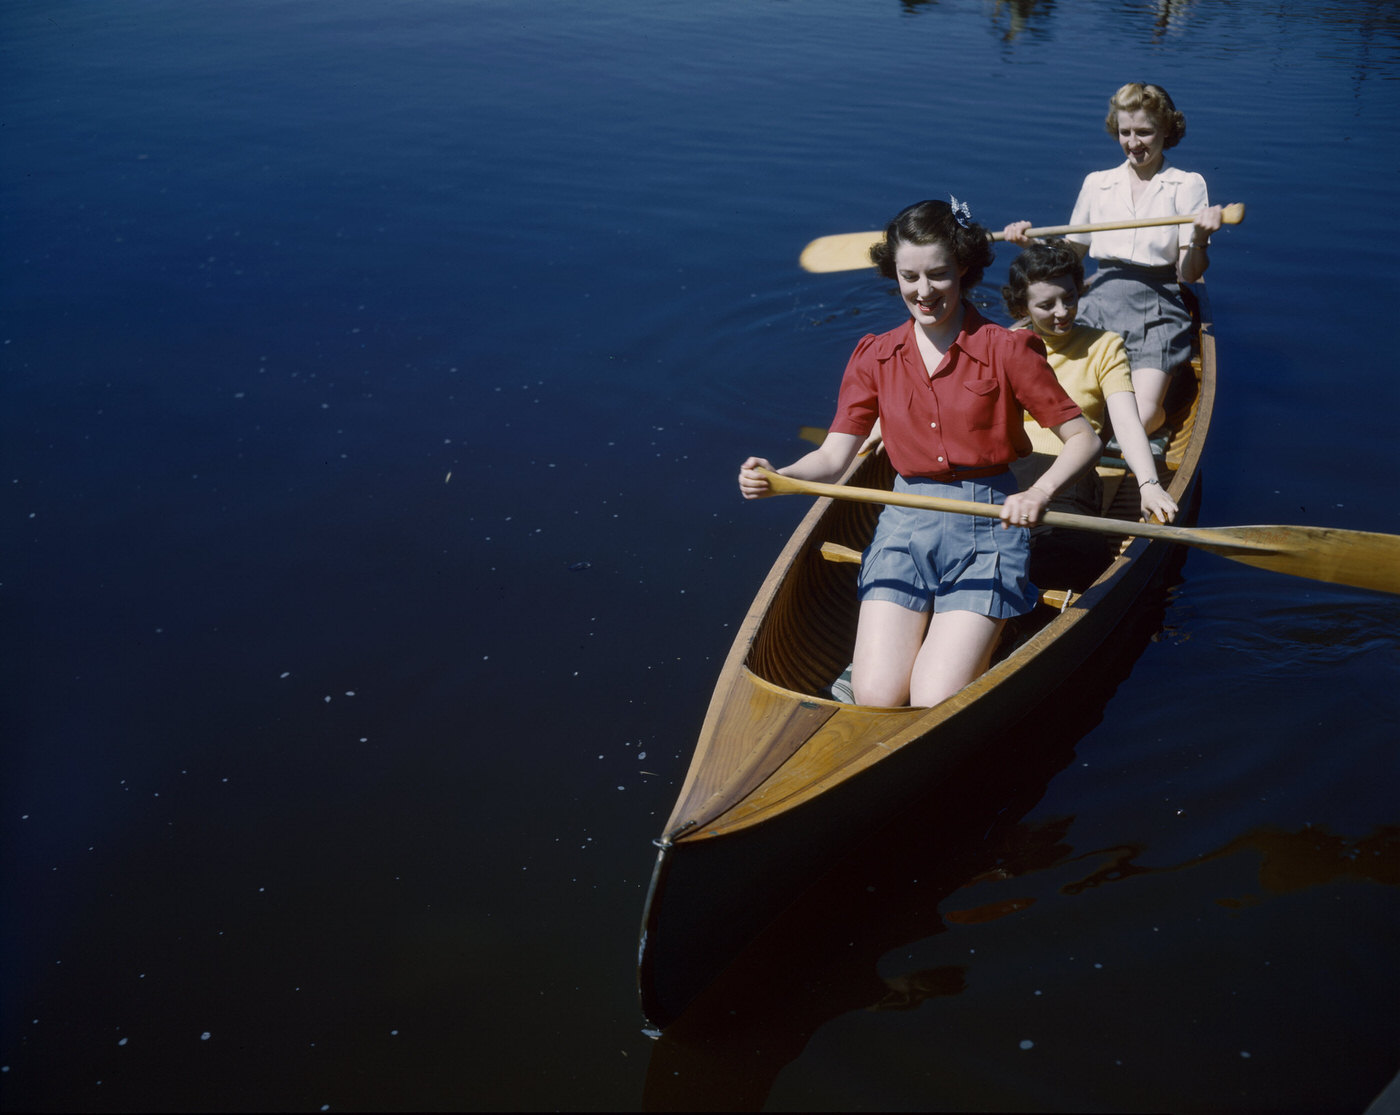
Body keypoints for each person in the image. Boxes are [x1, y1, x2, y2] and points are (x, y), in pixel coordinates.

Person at [738, 199, 1100, 709]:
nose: (923, 291)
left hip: (987, 524)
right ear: (895, 273)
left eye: (938, 275)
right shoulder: (875, 354)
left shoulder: (1007, 349)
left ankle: (1000, 628)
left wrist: (1040, 491)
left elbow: (1084, 439)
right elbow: (834, 457)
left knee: (934, 698)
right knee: (878, 696)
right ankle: (957, 635)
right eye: (909, 276)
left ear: (965, 270)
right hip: (903, 525)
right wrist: (781, 474)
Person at [1003, 82, 1222, 435]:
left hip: (1159, 305)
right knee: (1020, 369)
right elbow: (1069, 257)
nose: (1133, 143)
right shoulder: (1098, 183)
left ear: (1167, 129)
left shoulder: (1186, 185)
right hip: (1098, 297)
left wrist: (1199, 236)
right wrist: (1031, 244)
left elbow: (1189, 273)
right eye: (1125, 132)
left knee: (1141, 420)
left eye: (1145, 132)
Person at [1001, 241, 1179, 588]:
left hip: (1072, 469)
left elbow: (1126, 420)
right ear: (1022, 306)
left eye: (1069, 297)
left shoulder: (1104, 345)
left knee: (1075, 559)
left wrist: (1149, 484)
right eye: (1046, 304)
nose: (1063, 311)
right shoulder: (1007, 342)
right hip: (1009, 467)